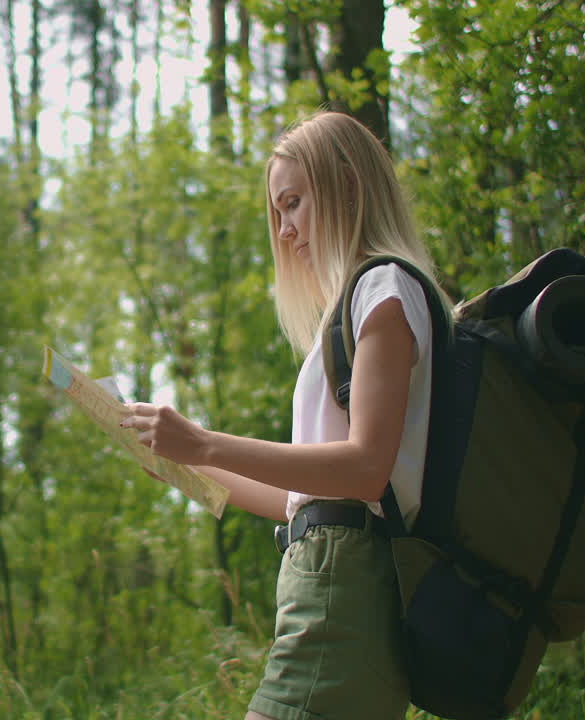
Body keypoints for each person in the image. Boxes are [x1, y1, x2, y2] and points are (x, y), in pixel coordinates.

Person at [120, 111, 449, 720]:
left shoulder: (383, 288)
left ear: (348, 184)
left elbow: (366, 471)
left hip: (341, 594)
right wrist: (183, 466)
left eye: (294, 203)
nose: (286, 229)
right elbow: (302, 499)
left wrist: (206, 443)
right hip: (325, 581)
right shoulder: (359, 303)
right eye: (277, 212)